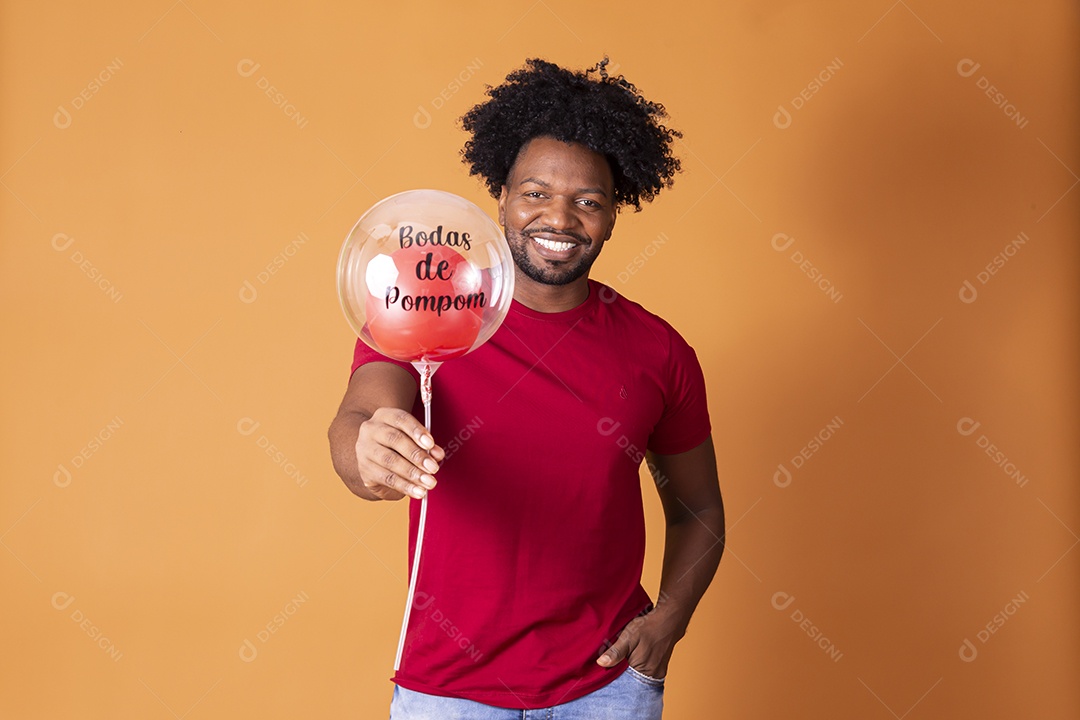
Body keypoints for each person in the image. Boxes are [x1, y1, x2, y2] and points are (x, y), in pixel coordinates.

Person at [328, 58, 724, 719]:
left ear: (614, 214)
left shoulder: (659, 352)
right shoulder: (425, 306)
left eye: (587, 201)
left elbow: (699, 512)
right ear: (502, 198)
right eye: (535, 193)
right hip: (447, 693)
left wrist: (669, 622)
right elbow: (359, 419)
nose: (559, 218)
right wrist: (367, 450)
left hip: (605, 689)